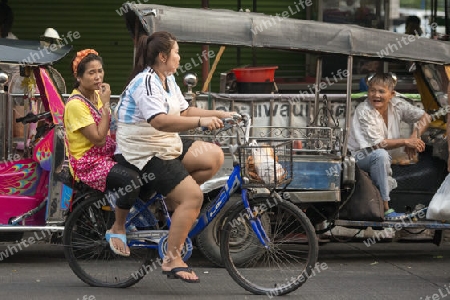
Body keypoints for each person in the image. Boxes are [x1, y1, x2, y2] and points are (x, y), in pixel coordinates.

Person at [114, 31, 235, 283]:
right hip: (144, 153)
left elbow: (184, 109)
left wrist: (220, 114)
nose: (179, 57)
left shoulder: (167, 79)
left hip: (165, 144)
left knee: (213, 156)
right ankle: (172, 258)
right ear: (162, 56)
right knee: (194, 196)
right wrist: (201, 121)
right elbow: (158, 120)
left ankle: (173, 204)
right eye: (176, 52)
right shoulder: (146, 82)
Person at [64, 49, 141, 257]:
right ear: (78, 77)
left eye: (100, 71)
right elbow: (98, 138)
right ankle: (118, 227)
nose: (97, 76)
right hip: (88, 163)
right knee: (131, 180)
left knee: (144, 167)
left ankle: (134, 217)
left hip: (105, 154)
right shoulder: (75, 105)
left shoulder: (95, 96)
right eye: (91, 73)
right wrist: (106, 103)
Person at [347, 72, 431, 220]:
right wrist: (406, 142)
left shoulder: (397, 104)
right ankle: (386, 209)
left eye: (381, 91)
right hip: (357, 157)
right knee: (380, 155)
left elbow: (426, 117)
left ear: (391, 94)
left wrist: (414, 137)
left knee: (383, 156)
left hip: (380, 155)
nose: (376, 95)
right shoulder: (364, 110)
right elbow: (378, 144)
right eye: (372, 90)